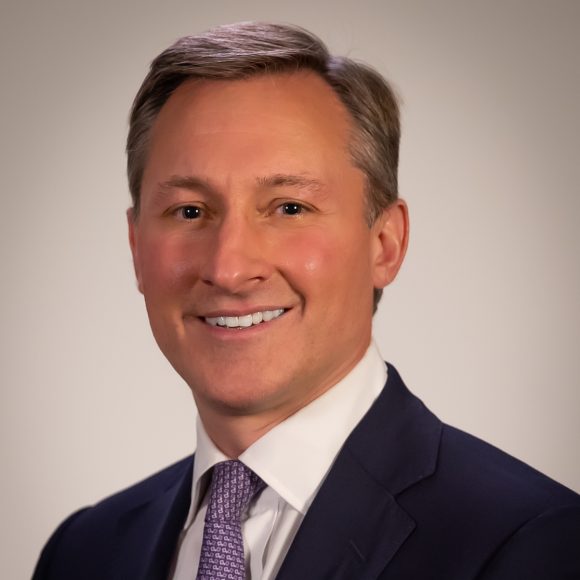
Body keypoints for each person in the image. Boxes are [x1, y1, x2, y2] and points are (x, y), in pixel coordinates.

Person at [33, 21, 580, 580]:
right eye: (190, 211)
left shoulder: (537, 545)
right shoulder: (82, 553)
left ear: (385, 243)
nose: (229, 268)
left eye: (289, 208)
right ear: (135, 248)